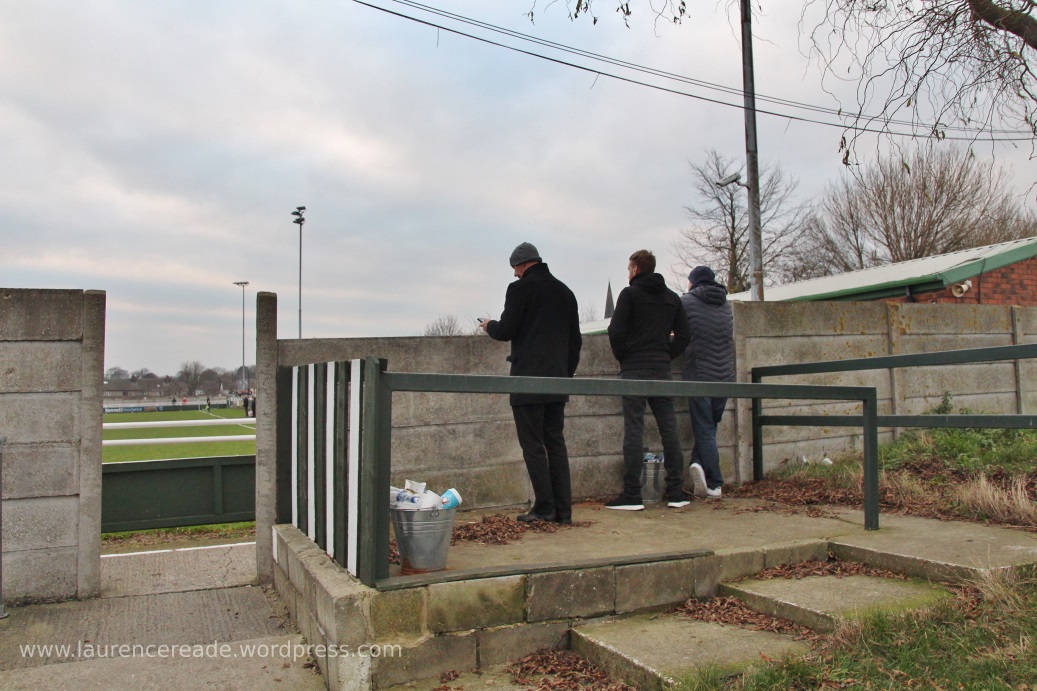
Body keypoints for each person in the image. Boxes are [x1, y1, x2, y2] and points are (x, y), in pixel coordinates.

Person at [481, 242, 582, 524]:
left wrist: (489, 325)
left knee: (533, 445)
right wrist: (565, 375)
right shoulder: (565, 292)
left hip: (527, 381)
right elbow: (575, 341)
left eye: (515, 268)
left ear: (523, 264)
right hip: (558, 381)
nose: (514, 274)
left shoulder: (520, 289)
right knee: (556, 443)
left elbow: (506, 330)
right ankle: (564, 511)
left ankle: (545, 508)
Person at [606, 249, 691, 510]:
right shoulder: (671, 298)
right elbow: (685, 335)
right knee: (669, 429)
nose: (628, 274)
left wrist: (625, 357)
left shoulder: (629, 294)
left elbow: (615, 331)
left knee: (634, 428)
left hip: (634, 370)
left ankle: (633, 494)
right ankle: (676, 492)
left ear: (635, 270)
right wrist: (667, 354)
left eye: (628, 269)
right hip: (662, 371)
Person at [681, 266, 735, 499]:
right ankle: (697, 463)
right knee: (710, 427)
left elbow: (679, 333)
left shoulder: (686, 302)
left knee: (704, 428)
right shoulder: (726, 305)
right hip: (725, 378)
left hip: (699, 375)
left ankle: (714, 483)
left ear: (693, 282)